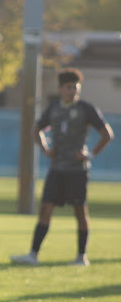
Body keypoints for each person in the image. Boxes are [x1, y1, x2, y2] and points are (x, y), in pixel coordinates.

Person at [10, 67, 114, 267]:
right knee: (45, 209)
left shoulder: (86, 108)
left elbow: (107, 134)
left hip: (77, 171)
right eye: (69, 88)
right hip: (57, 169)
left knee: (80, 212)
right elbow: (36, 129)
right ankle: (33, 255)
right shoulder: (54, 109)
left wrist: (89, 154)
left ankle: (81, 257)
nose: (73, 91)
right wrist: (45, 148)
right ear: (60, 89)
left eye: (76, 88)